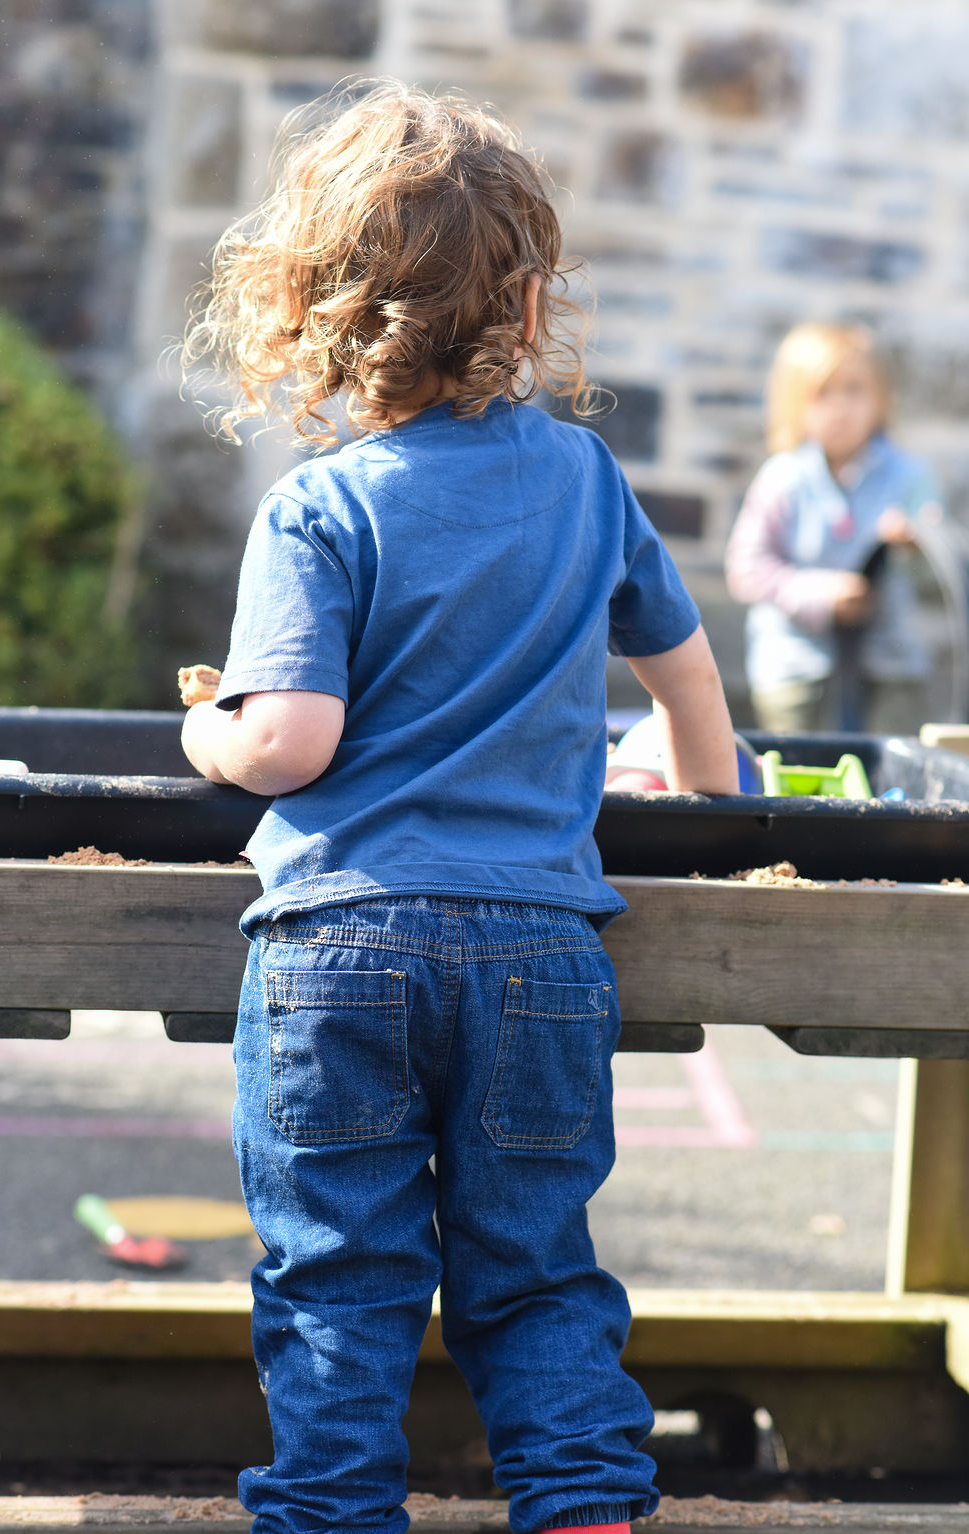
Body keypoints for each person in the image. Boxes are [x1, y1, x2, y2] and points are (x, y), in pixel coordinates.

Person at [179, 80, 738, 1534]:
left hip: (344, 946)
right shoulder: (586, 477)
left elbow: (290, 741)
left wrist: (207, 728)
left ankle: (333, 1513)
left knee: (340, 1273)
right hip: (540, 949)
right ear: (532, 302)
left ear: (311, 308)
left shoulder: (322, 506)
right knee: (535, 1266)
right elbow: (688, 679)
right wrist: (709, 801)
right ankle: (583, 1506)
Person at [724, 321, 944, 734]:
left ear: (880, 398)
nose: (840, 406)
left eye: (854, 390)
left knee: (889, 769)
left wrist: (916, 546)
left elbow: (940, 577)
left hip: (889, 666)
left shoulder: (909, 480)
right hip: (796, 667)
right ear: (795, 404)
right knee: (803, 767)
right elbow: (746, 568)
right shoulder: (782, 479)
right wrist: (820, 594)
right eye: (823, 393)